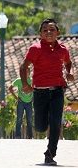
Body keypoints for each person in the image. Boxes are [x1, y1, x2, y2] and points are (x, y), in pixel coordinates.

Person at [20, 18, 74, 165]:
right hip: (40, 92)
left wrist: (70, 72)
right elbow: (23, 67)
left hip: (57, 90)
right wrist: (25, 84)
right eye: (45, 30)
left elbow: (68, 63)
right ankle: (42, 125)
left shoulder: (63, 49)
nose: (49, 32)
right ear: (40, 34)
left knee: (56, 123)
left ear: (58, 32)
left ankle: (50, 154)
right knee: (40, 126)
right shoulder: (35, 49)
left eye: (52, 29)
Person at [8, 68, 33, 139]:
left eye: (27, 72)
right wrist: (16, 97)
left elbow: (36, 88)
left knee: (29, 120)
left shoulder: (32, 80)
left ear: (30, 73)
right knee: (19, 118)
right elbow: (10, 88)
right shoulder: (19, 80)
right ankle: (17, 135)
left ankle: (30, 136)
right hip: (21, 102)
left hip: (29, 102)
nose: (26, 73)